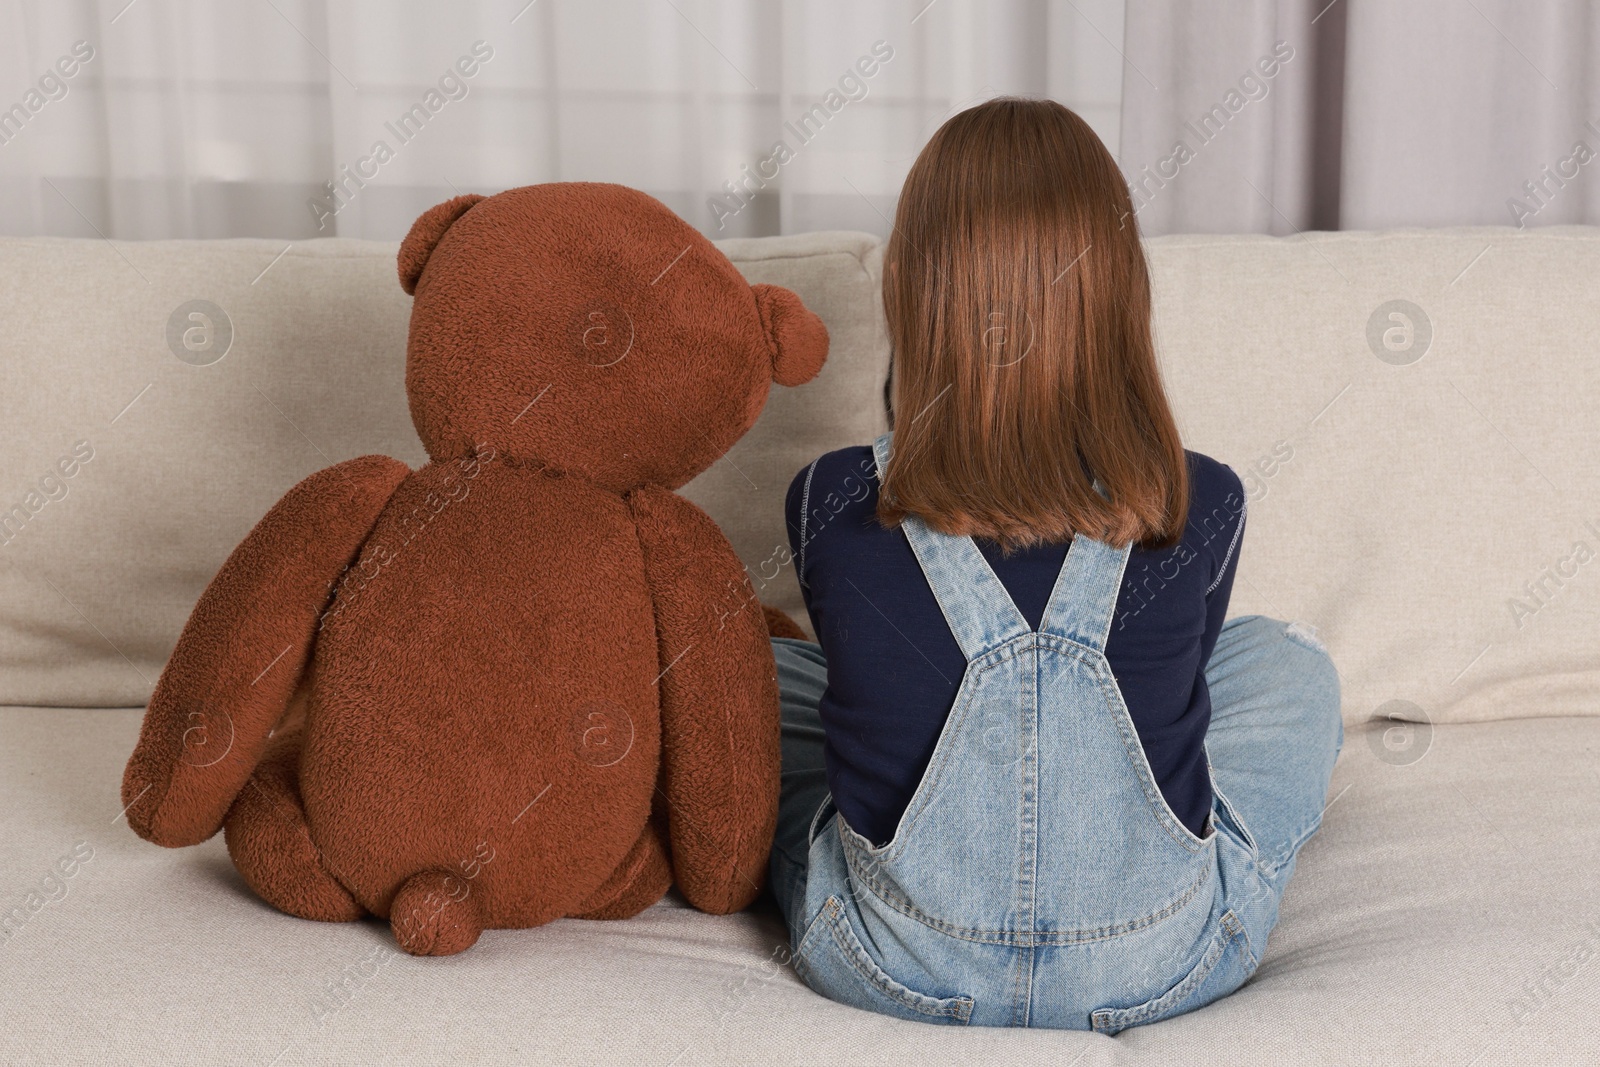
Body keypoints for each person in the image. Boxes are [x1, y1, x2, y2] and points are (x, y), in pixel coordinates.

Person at [766, 96, 1343, 1032]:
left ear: (912, 287)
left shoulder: (824, 497)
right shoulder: (1204, 497)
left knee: (770, 677)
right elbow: (1173, 682)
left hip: (893, 963)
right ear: (1118, 291)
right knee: (1287, 658)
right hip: (1158, 961)